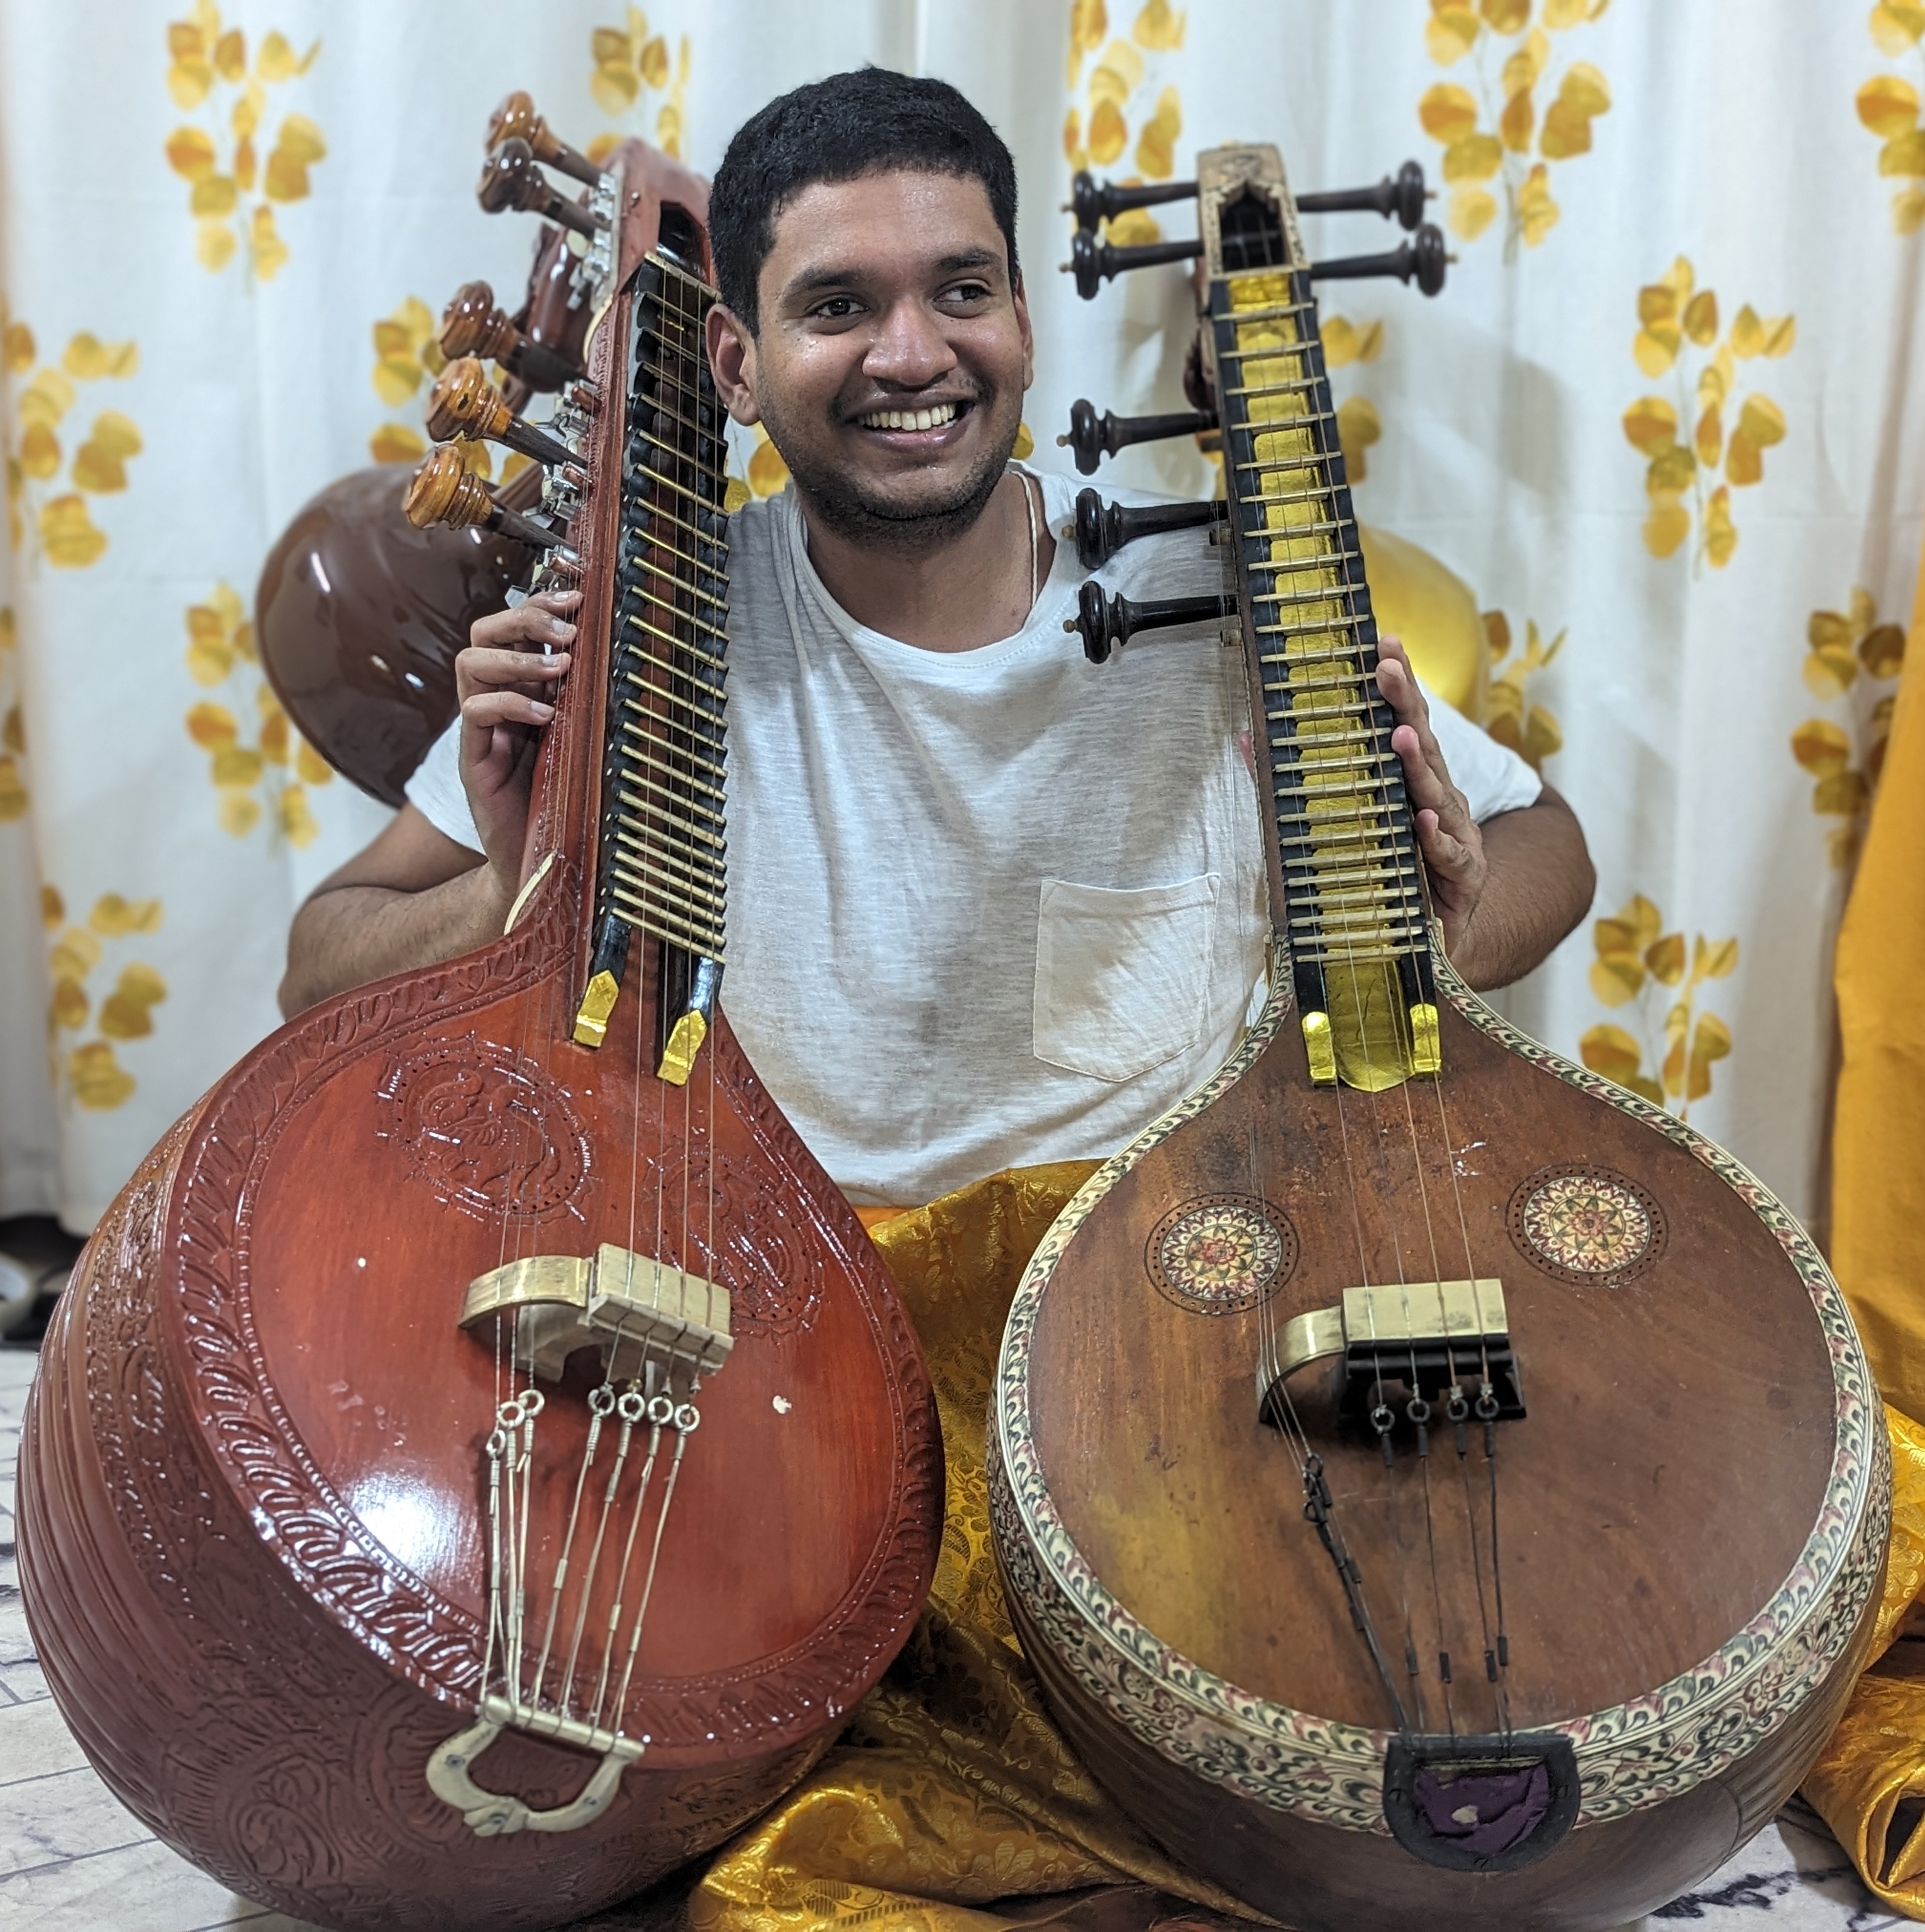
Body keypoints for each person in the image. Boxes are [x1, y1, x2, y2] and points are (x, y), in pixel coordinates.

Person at [278, 67, 1594, 1928]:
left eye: (960, 289)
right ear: (733, 360)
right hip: (786, 1371)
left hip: (1165, 1357)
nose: (916, 351)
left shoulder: (1215, 602)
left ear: (1026, 312)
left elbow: (1557, 848)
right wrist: (518, 874)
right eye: (840, 305)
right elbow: (318, 970)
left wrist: (1430, 915)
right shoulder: (645, 626)